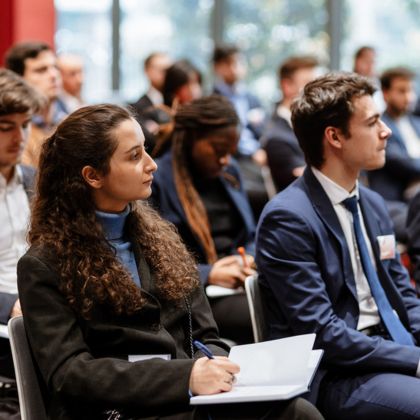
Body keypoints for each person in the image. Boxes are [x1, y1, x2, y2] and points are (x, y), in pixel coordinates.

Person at [17, 103, 322, 420]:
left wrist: (218, 368)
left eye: (145, 151)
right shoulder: (44, 264)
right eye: (134, 156)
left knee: (297, 412)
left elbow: (207, 337)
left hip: (189, 401)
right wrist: (187, 377)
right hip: (121, 410)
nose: (151, 165)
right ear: (93, 176)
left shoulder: (161, 238)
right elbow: (70, 373)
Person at [256, 72, 420, 418]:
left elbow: (402, 294)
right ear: (335, 137)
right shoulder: (288, 218)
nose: (386, 131)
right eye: (373, 122)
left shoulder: (372, 204)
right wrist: (414, 358)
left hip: (388, 352)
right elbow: (323, 334)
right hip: (339, 374)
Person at [151, 95, 255, 345]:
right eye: (218, 150)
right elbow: (152, 261)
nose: (225, 160)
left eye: (230, 152)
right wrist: (209, 274)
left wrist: (248, 258)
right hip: (194, 295)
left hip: (240, 283)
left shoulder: (229, 173)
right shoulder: (158, 180)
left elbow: (250, 234)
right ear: (191, 139)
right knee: (272, 313)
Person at [0, 68, 44, 379]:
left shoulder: (33, 180)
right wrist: (9, 305)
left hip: (40, 309)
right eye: (6, 127)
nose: (20, 137)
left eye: (26, 125)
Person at [212, 44, 268, 219]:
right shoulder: (213, 100)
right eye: (228, 63)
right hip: (232, 158)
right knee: (256, 195)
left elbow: (263, 130)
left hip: (257, 157)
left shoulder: (252, 98)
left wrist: (262, 149)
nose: (235, 68)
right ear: (217, 67)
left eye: (238, 62)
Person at [5, 41, 68, 167]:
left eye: (55, 67)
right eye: (41, 70)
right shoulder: (12, 130)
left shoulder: (72, 118)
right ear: (19, 80)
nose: (53, 75)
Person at [262, 56, 318, 192]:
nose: (317, 92)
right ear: (287, 86)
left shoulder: (315, 124)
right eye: (309, 84)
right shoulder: (276, 137)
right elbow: (309, 182)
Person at [130, 52, 172, 134]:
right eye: (162, 70)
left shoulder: (177, 102)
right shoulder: (136, 109)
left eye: (170, 70)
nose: (167, 74)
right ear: (147, 71)